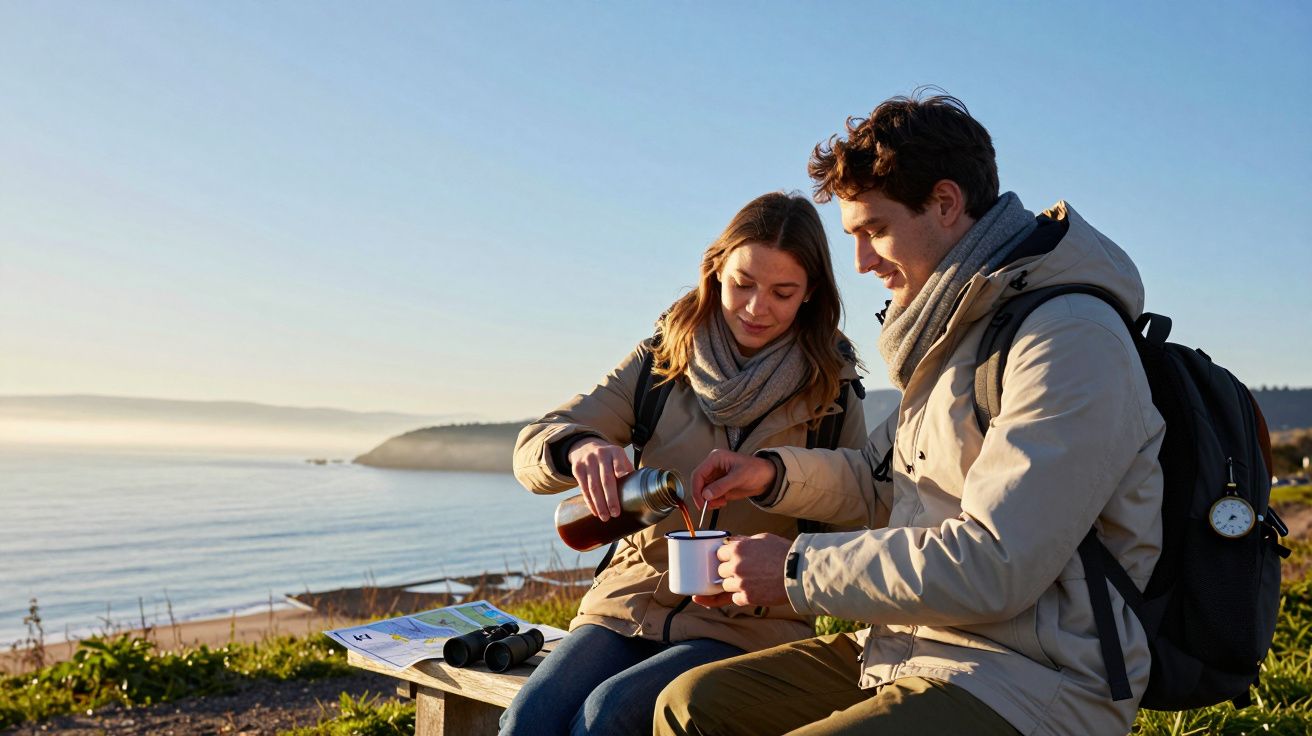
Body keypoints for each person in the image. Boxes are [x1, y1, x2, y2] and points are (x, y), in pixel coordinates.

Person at [655, 92, 1165, 735]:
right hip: (913, 645)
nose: (862, 262)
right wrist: (771, 474)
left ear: (946, 204)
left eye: (874, 230)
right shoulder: (954, 334)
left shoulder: (1068, 338)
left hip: (1033, 681)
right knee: (690, 705)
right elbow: (882, 480)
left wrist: (794, 570)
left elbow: (997, 565)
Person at [504, 191, 868, 735]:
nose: (756, 308)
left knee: (608, 717)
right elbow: (535, 443)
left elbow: (860, 516)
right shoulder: (660, 360)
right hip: (627, 604)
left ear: (810, 293)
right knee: (528, 719)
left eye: (782, 292)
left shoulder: (833, 392)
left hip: (750, 625)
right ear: (716, 270)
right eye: (742, 283)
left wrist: (776, 513)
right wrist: (577, 447)